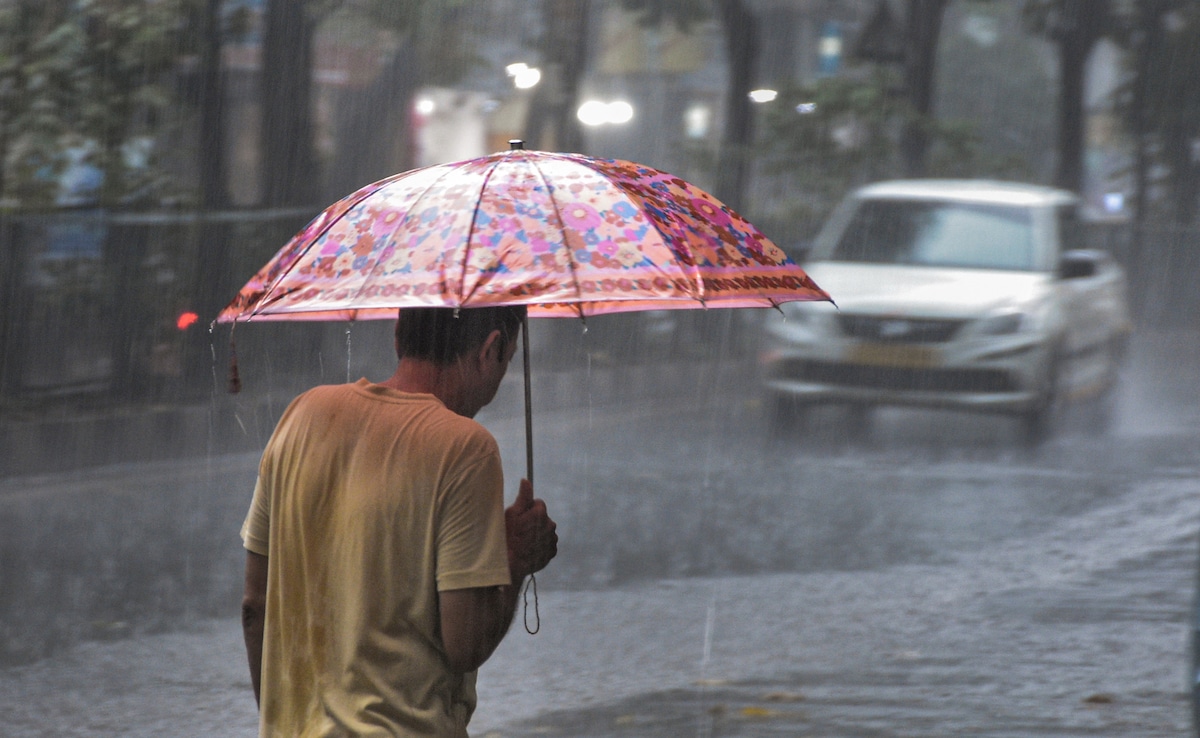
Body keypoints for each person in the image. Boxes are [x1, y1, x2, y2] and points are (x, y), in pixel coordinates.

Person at [240, 305, 558, 737]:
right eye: (509, 357)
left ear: (398, 334)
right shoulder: (464, 447)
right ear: (492, 349)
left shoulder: (302, 415)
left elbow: (254, 606)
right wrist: (515, 559)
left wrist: (282, 720)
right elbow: (465, 643)